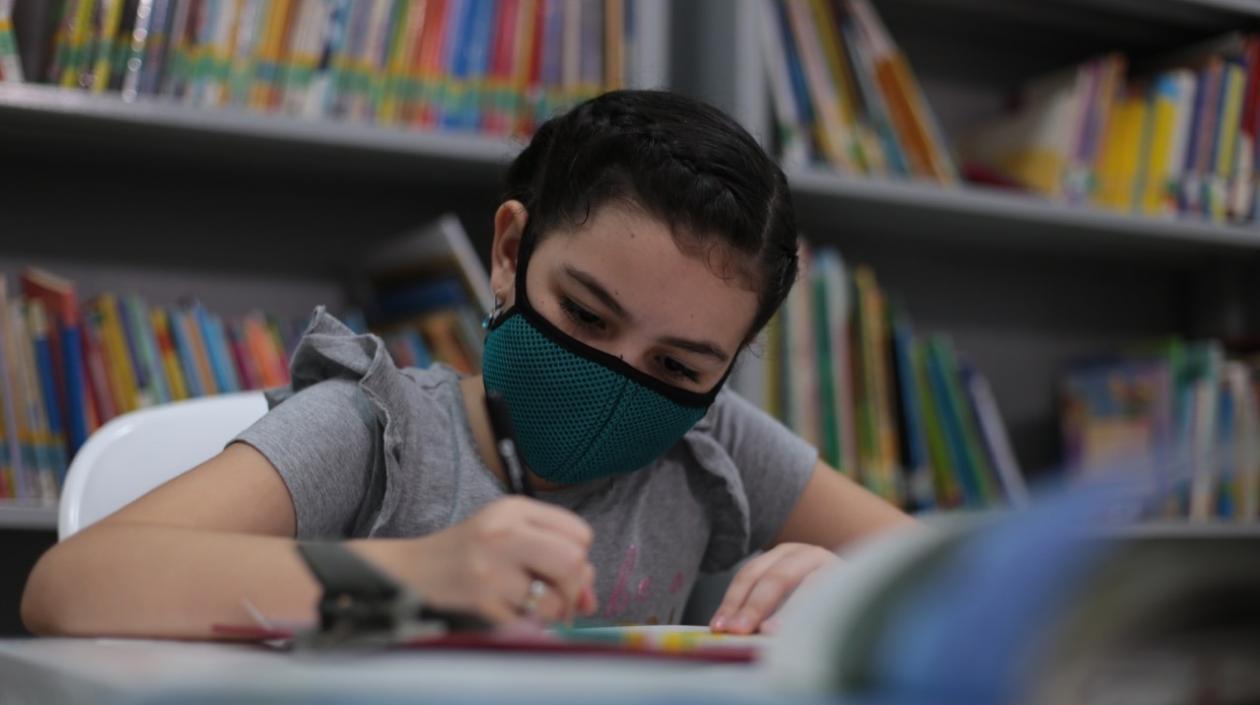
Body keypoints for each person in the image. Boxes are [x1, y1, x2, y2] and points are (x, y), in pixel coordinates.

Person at [22, 90, 911, 639]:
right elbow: (70, 586)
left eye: (679, 366)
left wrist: (864, 592)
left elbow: (981, 582)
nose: (612, 379)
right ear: (511, 249)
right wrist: (415, 582)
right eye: (587, 313)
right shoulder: (377, 431)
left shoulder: (712, 446)